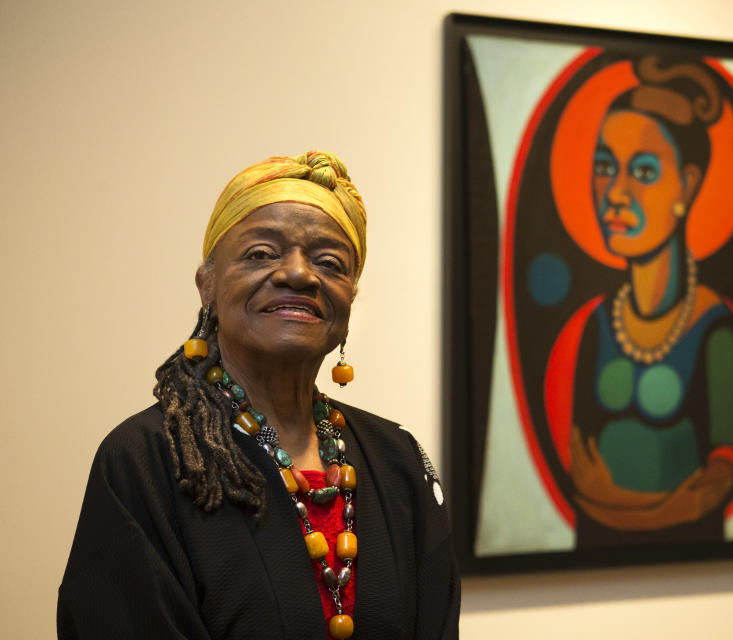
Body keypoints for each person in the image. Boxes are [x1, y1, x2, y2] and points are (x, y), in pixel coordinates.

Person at [58, 151, 461, 639]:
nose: (298, 274)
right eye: (261, 254)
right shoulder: (145, 461)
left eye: (329, 262)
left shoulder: (398, 461)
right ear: (207, 285)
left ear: (350, 295)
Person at [567, 58, 733, 544]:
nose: (616, 193)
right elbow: (581, 477)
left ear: (685, 186)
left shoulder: (712, 325)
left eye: (643, 171)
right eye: (605, 167)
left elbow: (719, 479)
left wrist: (629, 511)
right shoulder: (599, 324)